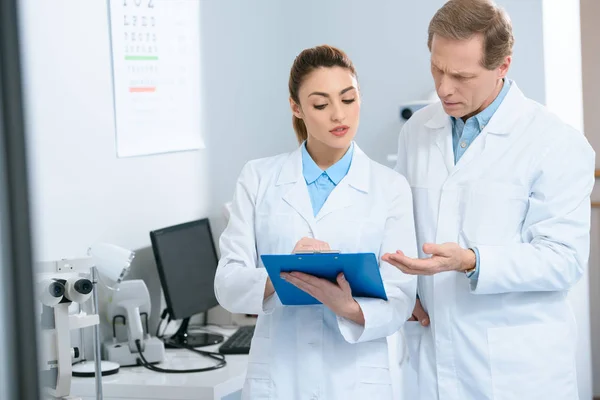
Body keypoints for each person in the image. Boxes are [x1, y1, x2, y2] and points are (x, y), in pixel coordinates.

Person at [382, 1, 595, 399]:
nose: (444, 87)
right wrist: (402, 291)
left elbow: (563, 260)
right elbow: (400, 223)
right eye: (437, 68)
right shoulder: (417, 131)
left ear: (503, 66)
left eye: (461, 75)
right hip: (431, 358)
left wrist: (472, 260)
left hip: (518, 370)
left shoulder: (555, 142)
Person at [214, 45, 418, 399]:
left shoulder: (390, 187)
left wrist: (348, 307)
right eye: (321, 105)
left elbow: (400, 296)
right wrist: (282, 273)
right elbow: (228, 284)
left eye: (349, 99)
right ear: (297, 107)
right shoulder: (259, 178)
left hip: (354, 380)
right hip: (279, 377)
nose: (339, 115)